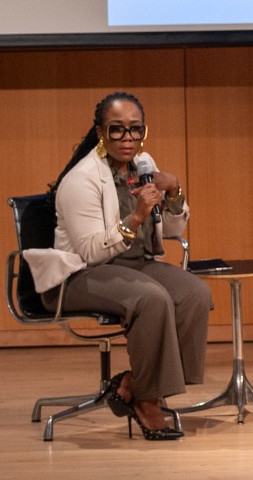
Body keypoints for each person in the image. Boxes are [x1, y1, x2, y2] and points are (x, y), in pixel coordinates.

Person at [38, 92, 211, 440]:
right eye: (117, 130)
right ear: (101, 133)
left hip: (133, 265)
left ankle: (134, 384)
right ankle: (147, 402)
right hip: (79, 276)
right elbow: (89, 250)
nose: (128, 138)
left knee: (195, 293)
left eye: (135, 130)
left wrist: (174, 192)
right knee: (150, 299)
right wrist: (134, 217)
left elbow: (172, 230)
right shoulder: (81, 179)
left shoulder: (143, 167)